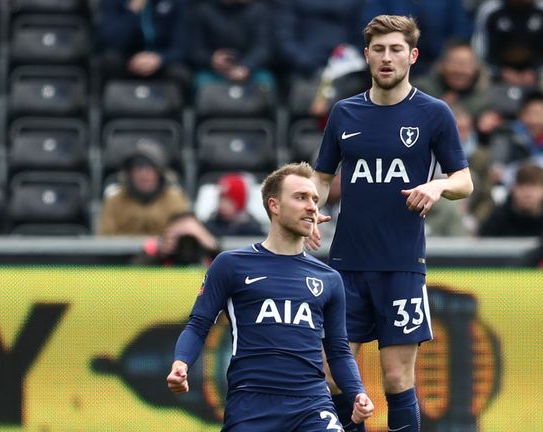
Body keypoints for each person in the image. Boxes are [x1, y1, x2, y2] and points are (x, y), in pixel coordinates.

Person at [309, 15, 474, 432]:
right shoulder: (345, 113)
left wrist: (437, 187)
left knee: (398, 379)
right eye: (378, 49)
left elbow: (465, 180)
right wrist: (308, 211)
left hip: (401, 266)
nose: (387, 58)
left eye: (396, 49)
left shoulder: (433, 113)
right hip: (345, 265)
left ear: (412, 56)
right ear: (366, 56)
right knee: (332, 375)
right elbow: (322, 176)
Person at [167, 162, 375, 431]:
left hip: (311, 404)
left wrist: (357, 392)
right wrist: (181, 363)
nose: (312, 206)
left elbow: (338, 351)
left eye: (314, 199)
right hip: (252, 404)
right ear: (274, 206)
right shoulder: (231, 265)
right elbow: (198, 325)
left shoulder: (329, 279)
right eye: (300, 197)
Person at [97, 141, 189, 236]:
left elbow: (183, 238)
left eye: (149, 168)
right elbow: (105, 238)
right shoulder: (114, 202)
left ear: (160, 173)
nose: (143, 174)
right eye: (138, 168)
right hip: (123, 251)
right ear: (129, 174)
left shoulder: (175, 200)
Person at [96, 0, 191, 90]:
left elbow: (182, 47)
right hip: (129, 60)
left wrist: (160, 59)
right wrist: (133, 10)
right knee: (109, 61)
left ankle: (176, 105)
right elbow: (111, 42)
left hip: (162, 62)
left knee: (179, 71)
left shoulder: (177, 3)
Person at [471, 0, 543, 86]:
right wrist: (499, 72)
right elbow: (479, 50)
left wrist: (535, 72)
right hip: (495, 73)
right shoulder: (490, 10)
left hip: (538, 75)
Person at [189, 0, 274, 89]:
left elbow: (263, 48)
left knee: (265, 81)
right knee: (202, 82)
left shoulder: (258, 10)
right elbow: (195, 50)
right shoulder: (203, 10)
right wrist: (211, 59)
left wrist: (246, 66)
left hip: (249, 67)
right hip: (213, 70)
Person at [479, 163, 543, 237]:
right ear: (513, 189)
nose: (528, 193)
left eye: (534, 187)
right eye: (522, 186)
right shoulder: (498, 218)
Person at [131, 211, 219, 266]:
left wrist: (213, 248)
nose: (186, 243)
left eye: (191, 236)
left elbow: (228, 276)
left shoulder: (210, 257)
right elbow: (133, 275)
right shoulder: (163, 256)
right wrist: (159, 252)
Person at [204, 173, 266, 237]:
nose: (222, 205)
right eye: (220, 200)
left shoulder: (253, 228)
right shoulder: (211, 225)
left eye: (228, 201)